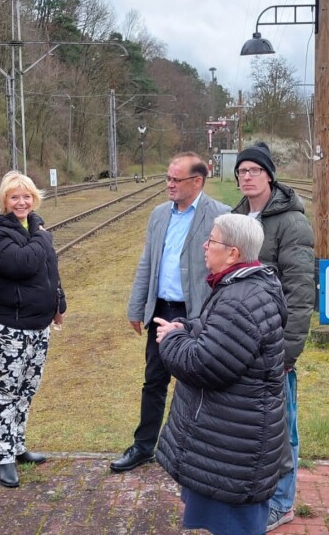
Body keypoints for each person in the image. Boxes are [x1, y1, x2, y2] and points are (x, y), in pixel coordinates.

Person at [154, 213, 288, 534]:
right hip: (234, 441)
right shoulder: (243, 287)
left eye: (211, 241)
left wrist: (170, 339)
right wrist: (186, 327)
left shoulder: (240, 299)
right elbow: (218, 333)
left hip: (235, 449)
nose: (204, 246)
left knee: (233, 528)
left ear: (233, 254)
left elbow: (204, 364)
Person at [110, 152, 229, 473]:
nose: (169, 185)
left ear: (197, 181)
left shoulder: (220, 216)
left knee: (198, 383)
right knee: (154, 381)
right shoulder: (159, 215)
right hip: (162, 310)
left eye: (176, 180)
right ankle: (144, 446)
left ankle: (199, 451)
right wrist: (137, 307)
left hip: (198, 313)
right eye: (168, 178)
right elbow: (147, 263)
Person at [232, 142, 316, 532]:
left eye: (253, 170)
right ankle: (254, 494)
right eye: (241, 171)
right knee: (252, 426)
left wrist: (288, 351)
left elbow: (300, 295)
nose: (245, 176)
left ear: (268, 175)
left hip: (274, 348)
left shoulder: (291, 223)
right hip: (240, 344)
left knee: (282, 426)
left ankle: (282, 503)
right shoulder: (237, 217)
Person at [0, 171, 66, 489]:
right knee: (6, 390)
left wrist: (59, 304)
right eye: (14, 196)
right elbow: (23, 264)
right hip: (7, 324)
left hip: (37, 323)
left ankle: (17, 446)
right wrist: (43, 236)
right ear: (4, 200)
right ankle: (3, 457)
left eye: (26, 196)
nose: (21, 201)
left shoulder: (33, 224)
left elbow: (49, 267)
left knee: (27, 388)